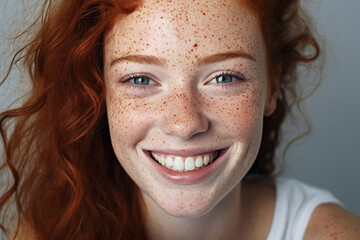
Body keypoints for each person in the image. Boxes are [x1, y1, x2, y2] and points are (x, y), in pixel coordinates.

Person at [0, 0, 359, 239]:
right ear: (101, 91)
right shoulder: (48, 231)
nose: (184, 123)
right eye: (140, 79)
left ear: (272, 88)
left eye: (224, 78)